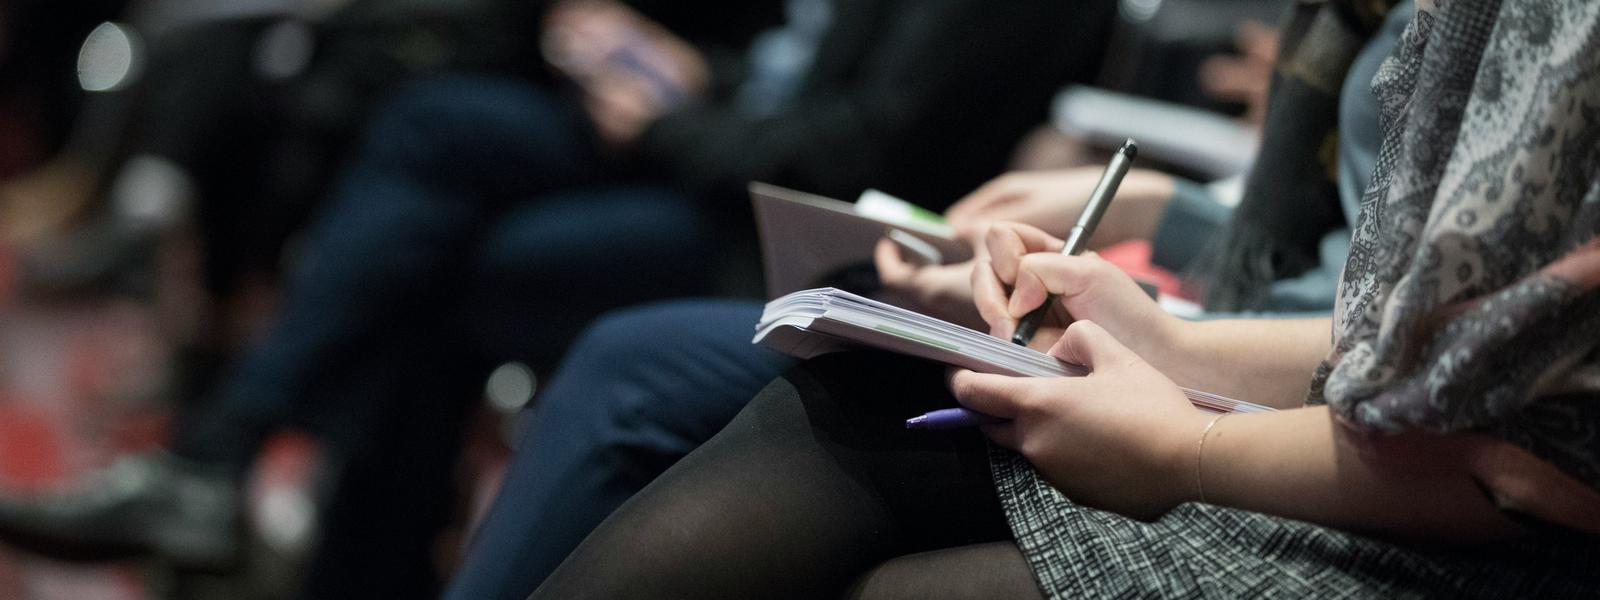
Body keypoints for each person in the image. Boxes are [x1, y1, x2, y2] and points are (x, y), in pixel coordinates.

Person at [0, 0, 1111, 596]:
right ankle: (238, 474)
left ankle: (245, 483)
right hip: (724, 153)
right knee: (429, 127)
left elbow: (858, 147)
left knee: (451, 272)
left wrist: (672, 123)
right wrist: (669, 70)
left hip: (806, 234)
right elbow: (787, 73)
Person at [522, 0, 1599, 597]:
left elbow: (1525, 448)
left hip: (1455, 518)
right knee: (839, 398)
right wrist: (1162, 336)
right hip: (1323, 392)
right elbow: (1405, 324)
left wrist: (1186, 438)